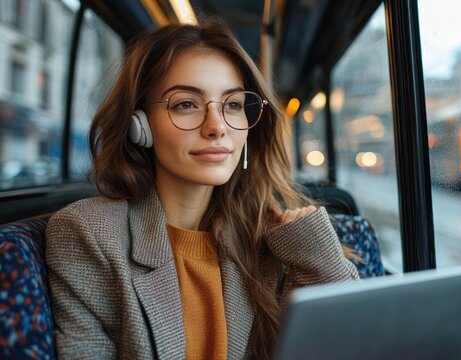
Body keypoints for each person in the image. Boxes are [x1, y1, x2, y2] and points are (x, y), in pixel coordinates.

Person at [45, 20, 359, 360]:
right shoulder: (88, 233)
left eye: (234, 104)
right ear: (140, 125)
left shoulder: (273, 238)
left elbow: (356, 344)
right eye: (186, 104)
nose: (217, 127)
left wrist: (317, 258)